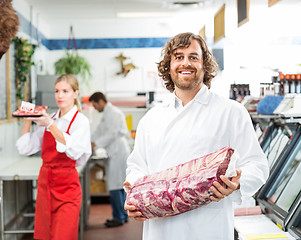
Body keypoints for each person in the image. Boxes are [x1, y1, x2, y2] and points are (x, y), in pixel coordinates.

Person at [124, 32, 269, 240]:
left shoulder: (231, 112)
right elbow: (137, 166)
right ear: (169, 65)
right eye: (178, 57)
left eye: (193, 57)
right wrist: (135, 196)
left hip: (208, 229)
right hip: (161, 230)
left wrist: (237, 183)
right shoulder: (151, 119)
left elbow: (257, 165)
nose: (186, 63)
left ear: (205, 65)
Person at [16, 74, 92, 240]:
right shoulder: (48, 118)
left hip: (67, 188)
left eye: (65, 91)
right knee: (45, 236)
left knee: (63, 235)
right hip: (46, 186)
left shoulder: (80, 122)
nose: (60, 95)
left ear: (75, 93)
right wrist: (28, 118)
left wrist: (50, 126)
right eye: (57, 91)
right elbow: (25, 148)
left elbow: (73, 150)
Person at [89, 92, 130, 227]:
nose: (94, 108)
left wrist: (95, 143)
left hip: (118, 150)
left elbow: (111, 134)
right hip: (114, 151)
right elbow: (99, 131)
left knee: (115, 186)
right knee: (118, 185)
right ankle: (122, 215)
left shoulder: (112, 113)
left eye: (95, 105)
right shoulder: (106, 114)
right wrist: (91, 141)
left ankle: (119, 217)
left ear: (100, 101)